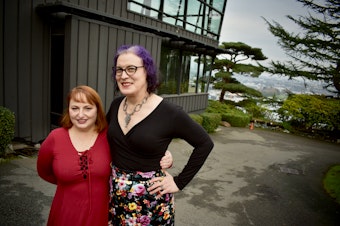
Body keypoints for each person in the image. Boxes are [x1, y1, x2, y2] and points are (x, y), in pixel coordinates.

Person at [107, 45, 214, 225]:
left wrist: (179, 182)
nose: (124, 75)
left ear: (147, 71)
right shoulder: (116, 104)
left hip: (151, 203)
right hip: (116, 197)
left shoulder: (170, 112)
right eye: (119, 70)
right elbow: (101, 138)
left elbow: (204, 144)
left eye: (131, 69)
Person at [37, 85, 173, 226]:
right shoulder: (55, 137)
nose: (80, 114)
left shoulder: (110, 136)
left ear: (97, 110)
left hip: (102, 215)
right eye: (75, 108)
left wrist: (165, 156)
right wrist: (69, 182)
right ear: (68, 110)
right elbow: (44, 172)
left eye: (88, 108)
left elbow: (138, 151)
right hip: (65, 213)